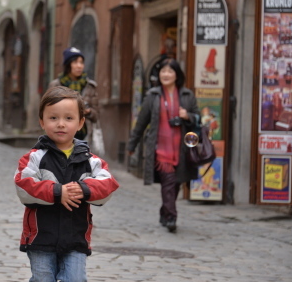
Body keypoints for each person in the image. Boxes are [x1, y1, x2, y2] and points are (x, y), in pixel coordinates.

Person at [14, 86, 119, 282]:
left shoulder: (91, 161)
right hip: (41, 238)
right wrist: (57, 192)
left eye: (68, 118)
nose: (61, 124)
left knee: (76, 279)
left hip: (75, 239)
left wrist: (84, 189)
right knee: (43, 279)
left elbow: (108, 185)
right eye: (53, 118)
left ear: (80, 123)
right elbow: (23, 186)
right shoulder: (34, 158)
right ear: (42, 121)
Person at [127, 59, 199, 233]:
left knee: (175, 184)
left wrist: (187, 115)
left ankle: (164, 210)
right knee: (168, 181)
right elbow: (141, 122)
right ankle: (171, 217)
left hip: (181, 149)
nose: (166, 75)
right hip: (160, 148)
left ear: (177, 75)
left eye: (170, 71)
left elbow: (199, 118)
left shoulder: (187, 95)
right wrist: (132, 144)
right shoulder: (153, 95)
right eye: (163, 71)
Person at [49, 47, 98, 142]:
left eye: (81, 62)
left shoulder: (90, 86)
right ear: (68, 65)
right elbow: (48, 112)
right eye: (75, 62)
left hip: (84, 135)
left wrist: (88, 112)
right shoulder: (56, 85)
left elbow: (96, 116)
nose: (79, 66)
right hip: (60, 132)